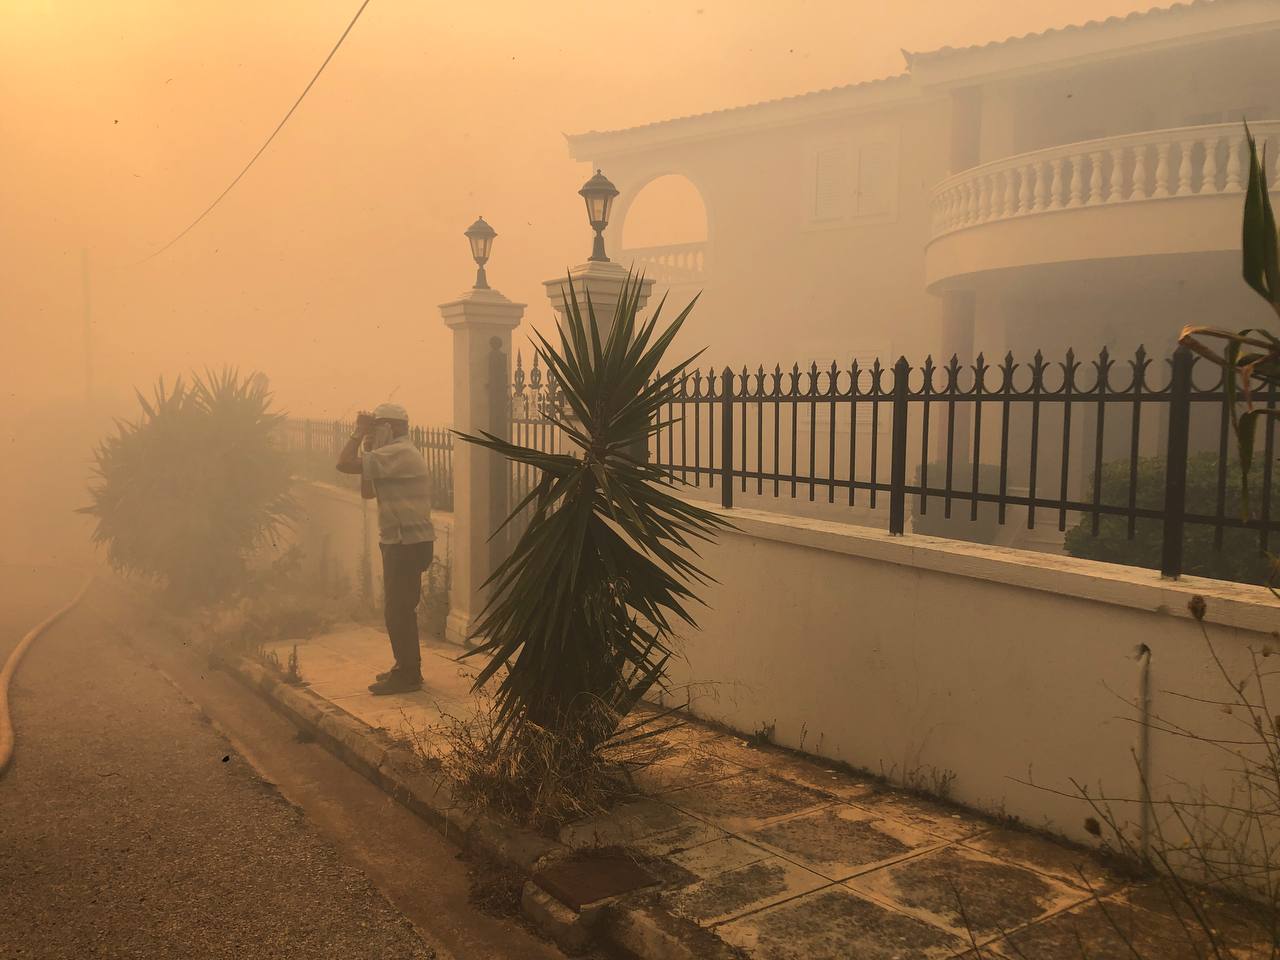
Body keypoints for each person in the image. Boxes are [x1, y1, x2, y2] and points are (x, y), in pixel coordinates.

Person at [336, 402, 435, 695]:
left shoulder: (400, 452)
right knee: (400, 609)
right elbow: (367, 491)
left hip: (407, 543)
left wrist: (357, 435)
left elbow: (342, 463)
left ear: (390, 428)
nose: (372, 431)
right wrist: (369, 444)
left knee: (398, 610)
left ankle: (408, 674)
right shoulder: (390, 454)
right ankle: (406, 668)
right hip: (403, 541)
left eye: (377, 427)